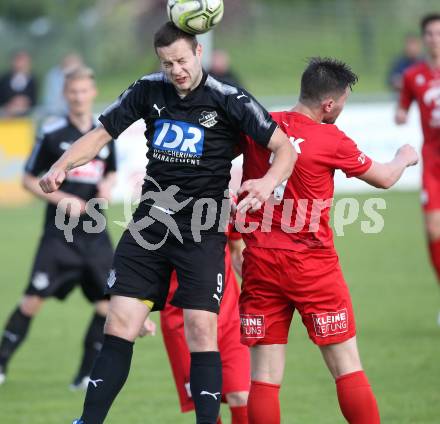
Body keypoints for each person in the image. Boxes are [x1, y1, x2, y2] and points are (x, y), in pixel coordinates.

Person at [39, 22, 295, 424]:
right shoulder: (148, 89)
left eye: (180, 60)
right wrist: (61, 165)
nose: (175, 69)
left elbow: (284, 148)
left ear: (198, 53)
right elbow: (101, 133)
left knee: (200, 329)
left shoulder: (229, 98)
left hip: (202, 230)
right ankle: (87, 422)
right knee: (119, 321)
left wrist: (265, 182)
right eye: (166, 62)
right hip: (150, 228)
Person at [238, 57, 418, 424]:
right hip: (311, 266)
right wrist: (404, 157)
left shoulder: (260, 126)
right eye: (343, 102)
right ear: (329, 104)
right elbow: (383, 178)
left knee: (265, 378)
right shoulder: (331, 139)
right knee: (346, 366)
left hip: (261, 263)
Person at [0, 67, 117, 389]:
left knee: (108, 304)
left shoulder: (103, 133)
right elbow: (27, 179)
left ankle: (83, 376)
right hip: (59, 236)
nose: (79, 97)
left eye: (84, 91)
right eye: (73, 92)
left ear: (92, 93)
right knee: (32, 300)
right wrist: (61, 197)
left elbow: (111, 171)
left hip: (95, 235)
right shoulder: (52, 133)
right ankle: (1, 364)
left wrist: (107, 186)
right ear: (66, 94)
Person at [157, 228, 249, 424]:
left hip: (228, 316)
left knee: (241, 395)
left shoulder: (221, 203)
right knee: (207, 404)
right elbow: (143, 267)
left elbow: (235, 249)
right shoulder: (160, 211)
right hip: (184, 324)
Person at [395, 13, 440, 323]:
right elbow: (402, 108)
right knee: (432, 228)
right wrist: (400, 115)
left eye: (439, 33)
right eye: (430, 34)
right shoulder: (414, 75)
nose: (435, 39)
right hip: (433, 160)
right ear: (423, 39)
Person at [0, 50, 38, 117]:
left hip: (26, 112)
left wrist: (24, 102)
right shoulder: (5, 78)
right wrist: (11, 103)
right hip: (7, 113)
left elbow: (34, 99)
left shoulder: (32, 79)